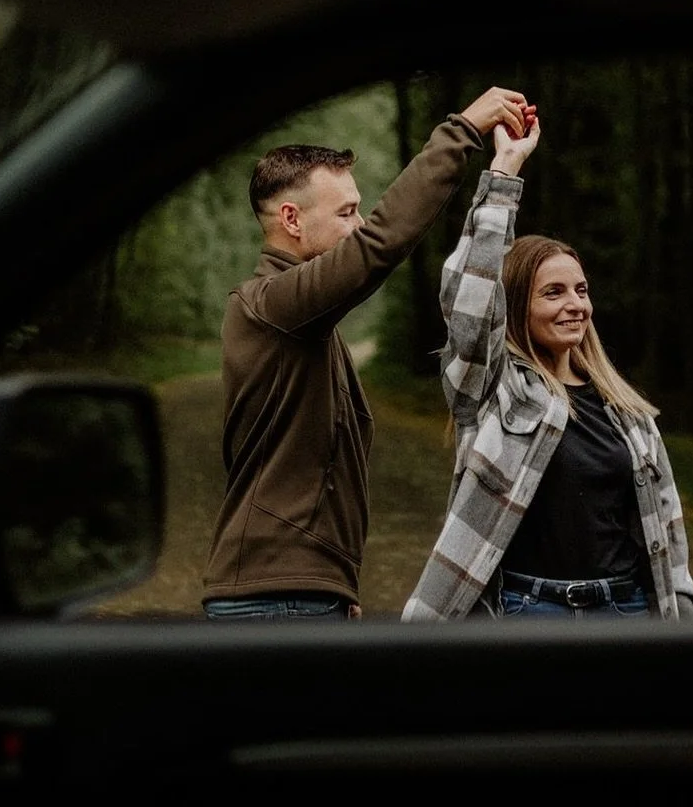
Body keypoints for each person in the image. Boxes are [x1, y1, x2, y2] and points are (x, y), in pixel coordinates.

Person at [202, 86, 532, 623]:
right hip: (276, 598)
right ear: (291, 219)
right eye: (347, 212)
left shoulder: (307, 326)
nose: (358, 225)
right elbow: (380, 243)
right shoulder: (270, 304)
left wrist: (334, 581)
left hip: (301, 591)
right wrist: (463, 131)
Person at [401, 111, 693, 624]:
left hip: (625, 611)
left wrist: (686, 614)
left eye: (581, 290)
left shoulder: (628, 415)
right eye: (554, 292)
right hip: (528, 613)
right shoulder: (494, 392)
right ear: (516, 305)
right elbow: (471, 303)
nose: (575, 305)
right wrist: (504, 174)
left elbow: (668, 531)